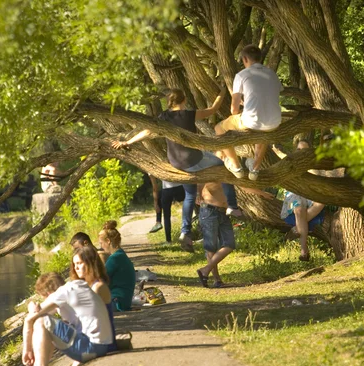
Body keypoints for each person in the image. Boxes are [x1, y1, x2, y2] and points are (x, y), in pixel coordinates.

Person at [111, 88, 243, 252]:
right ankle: (232, 205)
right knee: (223, 166)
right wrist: (221, 94)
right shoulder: (188, 114)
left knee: (189, 195)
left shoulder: (164, 117)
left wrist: (128, 142)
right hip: (192, 159)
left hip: (176, 163)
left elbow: (146, 131)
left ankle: (185, 231)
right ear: (184, 100)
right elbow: (212, 110)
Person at [15, 272, 113, 366]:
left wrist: (27, 350)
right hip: (100, 346)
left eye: (44, 297)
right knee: (48, 329)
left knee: (42, 321)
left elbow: (31, 319)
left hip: (92, 348)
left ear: (49, 294)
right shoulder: (74, 290)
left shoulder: (60, 293)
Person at [215, 44, 283, 181]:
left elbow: (233, 110)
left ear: (245, 59)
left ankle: (236, 166)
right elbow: (268, 97)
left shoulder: (242, 75)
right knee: (263, 131)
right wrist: (247, 105)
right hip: (275, 121)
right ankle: (255, 170)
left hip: (252, 121)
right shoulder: (271, 73)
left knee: (218, 128)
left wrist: (240, 113)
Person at [280, 140, 326, 262]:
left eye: (304, 150)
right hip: (294, 193)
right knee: (299, 209)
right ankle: (304, 250)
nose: (301, 152)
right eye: (298, 150)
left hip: (310, 194)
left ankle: (298, 227)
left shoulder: (315, 165)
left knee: (321, 202)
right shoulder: (290, 163)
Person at [70, 246, 118, 352]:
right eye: (74, 264)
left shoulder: (98, 287)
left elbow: (85, 319)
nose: (76, 268)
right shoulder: (87, 286)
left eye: (79, 263)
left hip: (102, 343)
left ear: (90, 263)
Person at [195, 181, 236, 288]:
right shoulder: (210, 166)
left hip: (224, 211)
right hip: (209, 210)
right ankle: (217, 280)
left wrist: (262, 193)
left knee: (229, 244)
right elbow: (199, 179)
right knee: (211, 247)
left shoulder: (228, 169)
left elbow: (243, 185)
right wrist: (198, 195)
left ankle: (205, 270)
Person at [98, 220, 136, 311]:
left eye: (101, 243)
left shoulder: (115, 259)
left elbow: (100, 280)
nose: (101, 247)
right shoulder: (120, 255)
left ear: (108, 241)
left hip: (117, 302)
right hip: (123, 301)